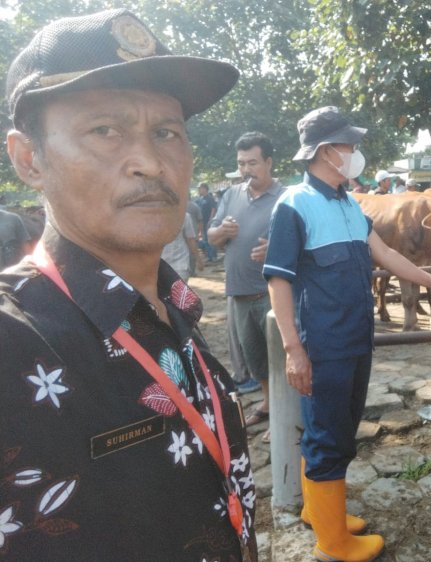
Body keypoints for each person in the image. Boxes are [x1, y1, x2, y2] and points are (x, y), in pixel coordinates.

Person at [2, 9, 257, 560]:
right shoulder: (13, 338)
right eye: (105, 130)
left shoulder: (176, 306)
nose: (149, 162)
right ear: (29, 160)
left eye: (166, 132)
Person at [263, 106, 431, 562]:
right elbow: (278, 280)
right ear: (325, 151)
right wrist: (293, 349)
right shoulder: (294, 205)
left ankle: (319, 513)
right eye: (348, 145)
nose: (355, 153)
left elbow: (385, 255)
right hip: (322, 344)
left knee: (336, 428)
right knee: (327, 434)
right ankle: (333, 541)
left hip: (356, 337)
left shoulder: (346, 203)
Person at [208, 132, 283, 441]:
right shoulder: (231, 195)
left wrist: (277, 249)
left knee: (281, 357)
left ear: (268, 161)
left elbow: (305, 242)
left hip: (274, 293)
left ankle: (284, 415)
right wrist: (221, 231)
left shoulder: (286, 196)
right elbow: (211, 238)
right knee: (254, 358)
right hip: (238, 292)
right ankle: (268, 405)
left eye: (253, 162)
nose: (246, 170)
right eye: (241, 163)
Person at [161, 212, 203, 281]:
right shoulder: (154, 215)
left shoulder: (184, 216)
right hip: (160, 264)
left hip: (180, 262)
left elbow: (190, 239)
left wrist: (198, 259)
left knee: (179, 290)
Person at [195, 182, 218, 262]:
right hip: (202, 222)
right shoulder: (200, 199)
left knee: (210, 239)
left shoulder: (210, 198)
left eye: (200, 188)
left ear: (205, 189)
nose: (199, 190)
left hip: (208, 222)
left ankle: (213, 256)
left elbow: (213, 209)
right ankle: (209, 256)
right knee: (205, 239)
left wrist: (211, 219)